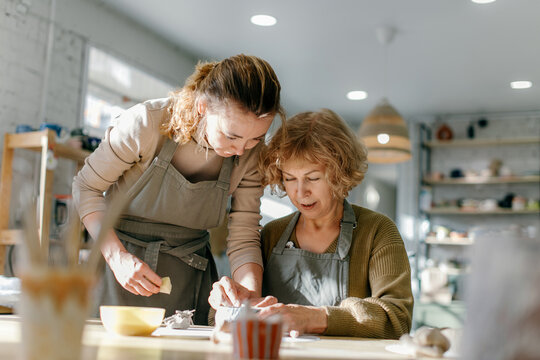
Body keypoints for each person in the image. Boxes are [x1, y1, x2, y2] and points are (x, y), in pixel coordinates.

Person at [72, 54, 284, 324]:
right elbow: (86, 187)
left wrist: (249, 297)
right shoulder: (147, 123)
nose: (241, 149)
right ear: (203, 106)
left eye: (255, 138)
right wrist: (117, 258)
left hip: (190, 275)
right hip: (117, 267)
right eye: (232, 135)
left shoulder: (250, 157)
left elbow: (244, 236)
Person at [210, 109, 413, 338]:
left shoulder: (377, 231)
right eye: (289, 178)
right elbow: (227, 321)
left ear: (339, 172)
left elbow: (397, 319)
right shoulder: (271, 235)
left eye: (313, 178)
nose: (300, 192)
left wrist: (315, 318)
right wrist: (227, 302)